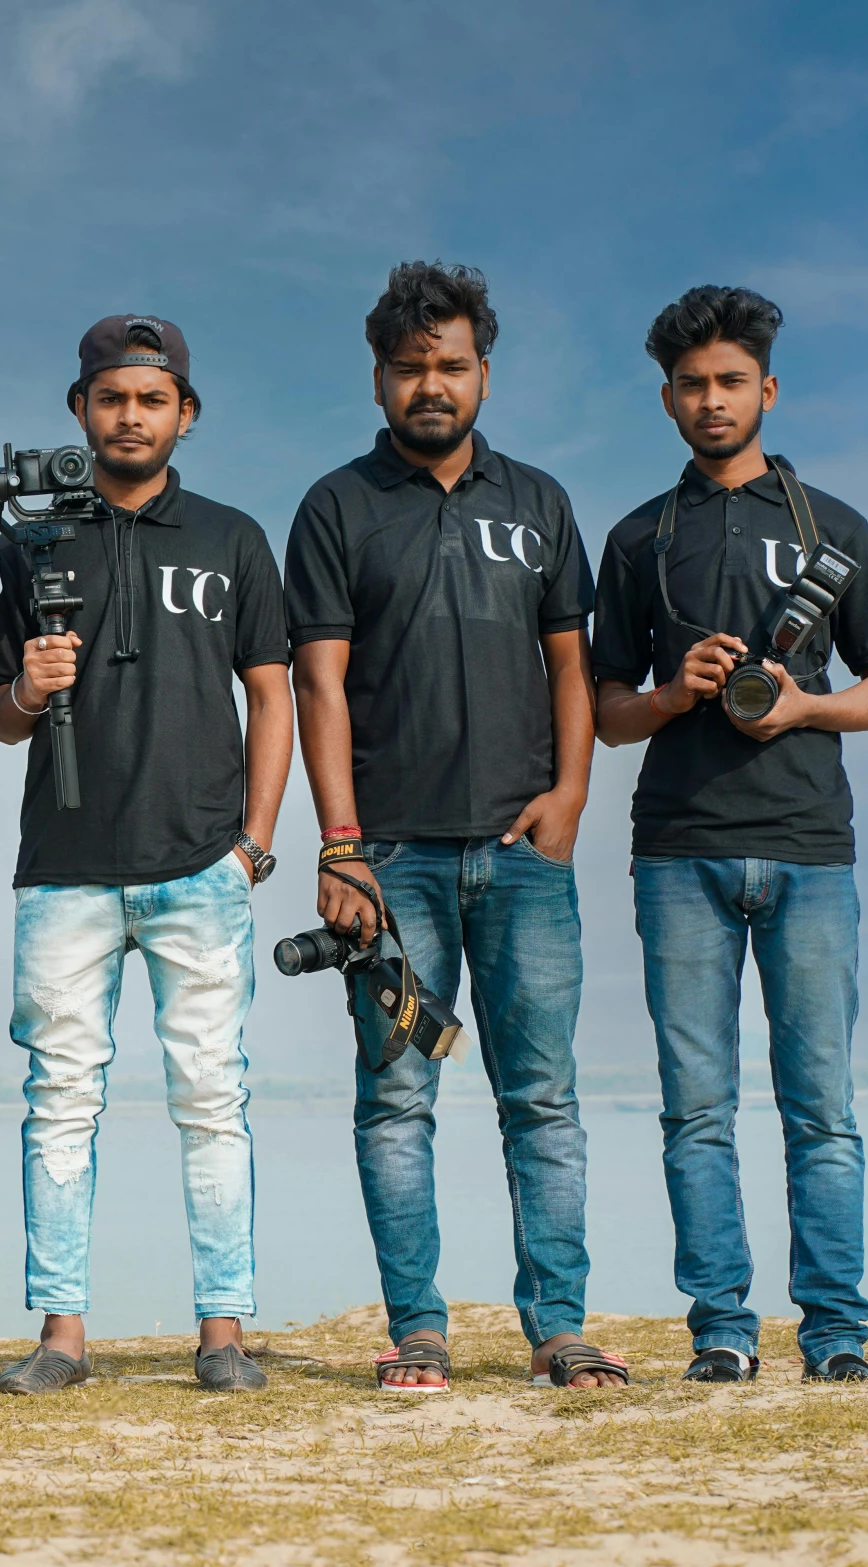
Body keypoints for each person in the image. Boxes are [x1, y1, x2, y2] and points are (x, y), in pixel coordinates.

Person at [285, 263, 625, 1391]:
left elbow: (570, 664)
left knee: (542, 1097)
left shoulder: (539, 504)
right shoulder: (336, 507)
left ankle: (558, 1327)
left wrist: (570, 794)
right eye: (408, 366)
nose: (430, 384)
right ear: (379, 378)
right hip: (392, 863)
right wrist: (339, 843)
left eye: (451, 364)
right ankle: (417, 1330)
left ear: (482, 370)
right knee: (396, 1096)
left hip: (524, 856)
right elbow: (317, 686)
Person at [593, 287, 868, 1385]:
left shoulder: (836, 529)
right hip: (677, 850)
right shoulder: (639, 537)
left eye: (729, 381)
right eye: (690, 384)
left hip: (812, 847)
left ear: (764, 390)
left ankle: (835, 1337)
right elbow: (603, 711)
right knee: (697, 1110)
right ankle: (721, 1330)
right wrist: (675, 692)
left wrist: (803, 707)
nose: (710, 399)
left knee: (822, 1110)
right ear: (668, 399)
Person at [0, 316, 293, 1396]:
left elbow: (269, 690)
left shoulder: (233, 538)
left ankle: (222, 1333)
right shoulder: (30, 540)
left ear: (183, 415)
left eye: (150, 399)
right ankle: (62, 1336)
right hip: (63, 864)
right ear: (80, 409)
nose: (129, 415)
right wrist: (28, 687)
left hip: (200, 861)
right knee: (60, 1095)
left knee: (212, 1096)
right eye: (110, 397)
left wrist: (253, 840)